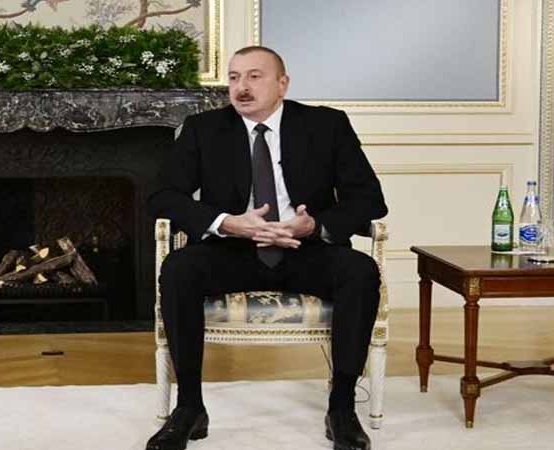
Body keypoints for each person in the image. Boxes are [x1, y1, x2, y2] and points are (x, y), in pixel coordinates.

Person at [145, 45, 388, 450]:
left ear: (282, 84)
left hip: (304, 249)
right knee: (179, 269)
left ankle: (342, 407)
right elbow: (162, 196)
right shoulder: (204, 128)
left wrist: (315, 225)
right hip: (232, 250)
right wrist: (227, 222)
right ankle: (189, 407)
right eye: (234, 77)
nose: (241, 87)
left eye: (254, 76)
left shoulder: (326, 125)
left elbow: (369, 200)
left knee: (359, 271)